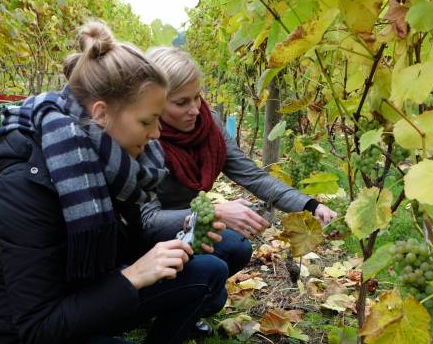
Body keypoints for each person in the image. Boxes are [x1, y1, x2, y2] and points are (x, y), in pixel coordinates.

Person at [0, 22, 228, 344]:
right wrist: (133, 276)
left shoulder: (116, 164)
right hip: (31, 331)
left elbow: (123, 239)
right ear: (101, 114)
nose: (156, 135)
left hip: (92, 291)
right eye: (147, 121)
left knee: (210, 271)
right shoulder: (24, 186)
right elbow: (38, 326)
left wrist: (182, 233)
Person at [142, 47, 338, 278]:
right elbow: (148, 221)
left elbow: (253, 176)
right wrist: (213, 213)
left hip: (191, 227)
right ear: (154, 102)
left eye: (197, 96)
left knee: (237, 249)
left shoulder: (208, 125)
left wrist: (311, 206)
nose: (195, 109)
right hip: (146, 238)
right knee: (210, 273)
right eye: (181, 102)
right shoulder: (141, 137)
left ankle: (188, 291)